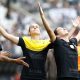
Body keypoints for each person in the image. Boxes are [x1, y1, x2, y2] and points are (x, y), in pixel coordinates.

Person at [38, 3, 80, 80]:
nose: (64, 28)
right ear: (57, 36)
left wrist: (75, 26)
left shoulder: (72, 42)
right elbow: (49, 30)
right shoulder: (58, 44)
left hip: (76, 76)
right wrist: (42, 16)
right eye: (61, 29)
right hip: (64, 77)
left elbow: (79, 35)